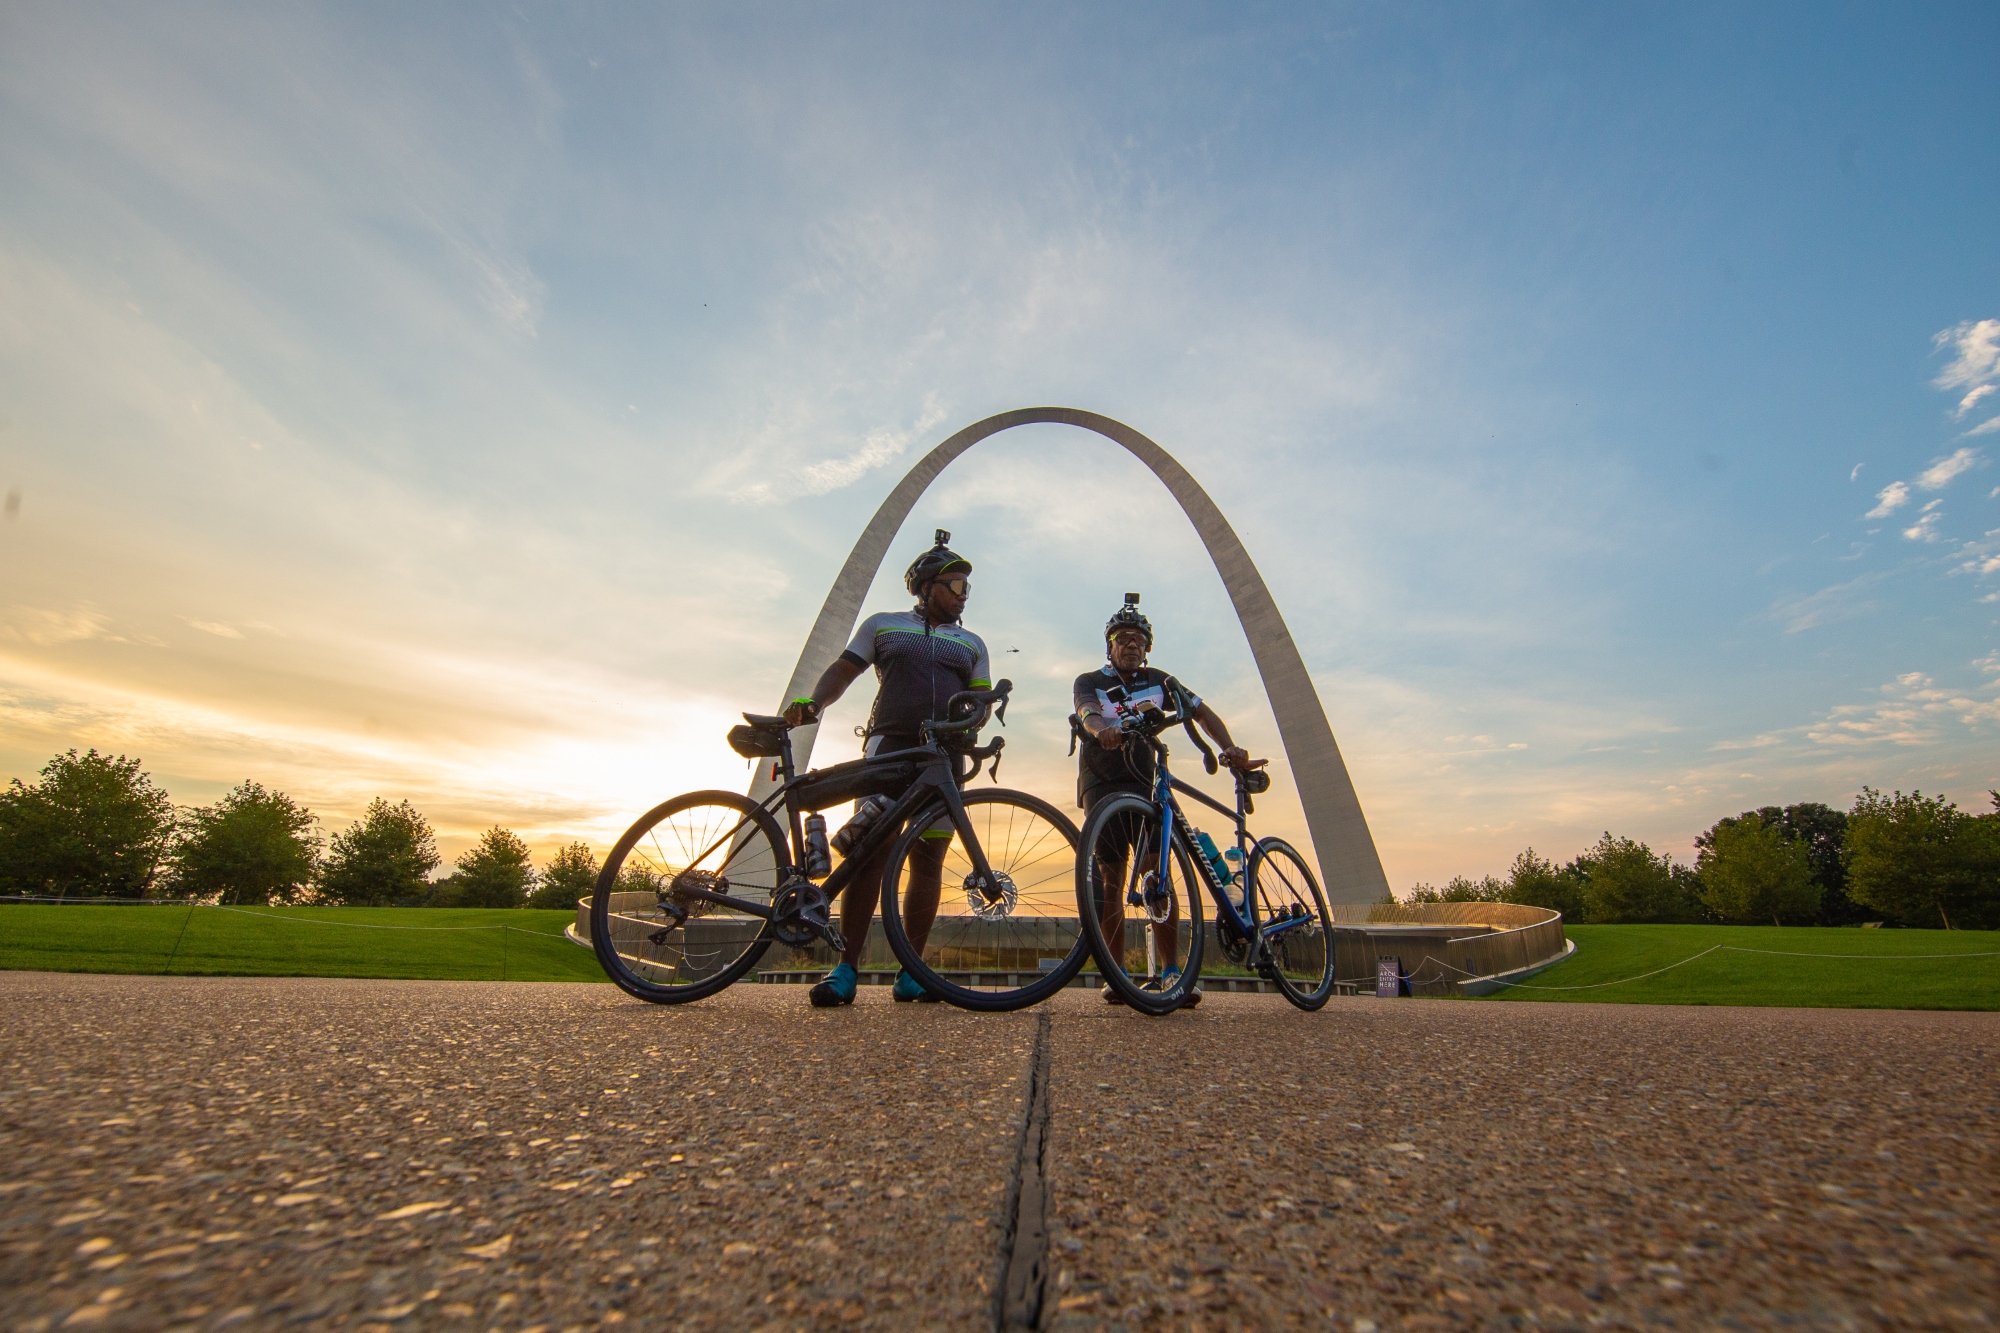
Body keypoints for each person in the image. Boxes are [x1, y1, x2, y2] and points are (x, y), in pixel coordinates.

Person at [782, 531, 992, 1007]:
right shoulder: (883, 625)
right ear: (924, 587)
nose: (963, 595)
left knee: (928, 860)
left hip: (943, 758)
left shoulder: (973, 642)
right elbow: (844, 668)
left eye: (966, 587)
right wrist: (812, 702)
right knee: (869, 857)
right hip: (888, 751)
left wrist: (976, 715)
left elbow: (980, 700)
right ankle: (846, 968)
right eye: (953, 585)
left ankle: (911, 971)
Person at [1073, 594, 1264, 1006]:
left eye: (1140, 639)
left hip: (1145, 779)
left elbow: (1200, 711)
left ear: (1148, 648)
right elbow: (1087, 711)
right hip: (1101, 780)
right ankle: (1117, 972)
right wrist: (1098, 728)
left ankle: (1173, 970)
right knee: (1111, 878)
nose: (1131, 644)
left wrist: (1229, 748)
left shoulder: (1160, 680)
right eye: (1123, 638)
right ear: (1109, 645)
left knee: (1153, 873)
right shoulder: (1089, 680)